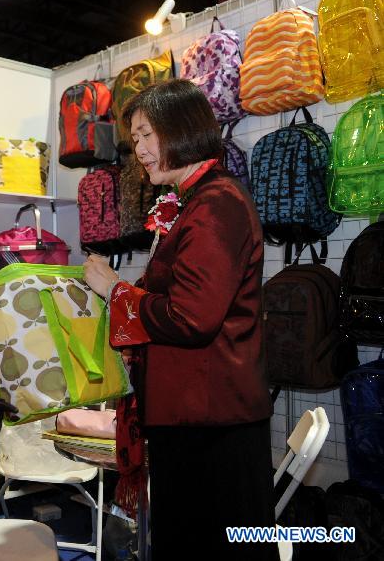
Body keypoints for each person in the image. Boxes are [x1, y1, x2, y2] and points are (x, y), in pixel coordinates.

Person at [83, 79, 276, 560]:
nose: (141, 152)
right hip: (197, 412)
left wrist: (115, 290)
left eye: (149, 135)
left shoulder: (215, 205)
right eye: (136, 140)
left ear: (182, 130)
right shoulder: (199, 201)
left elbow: (192, 317)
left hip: (209, 419)